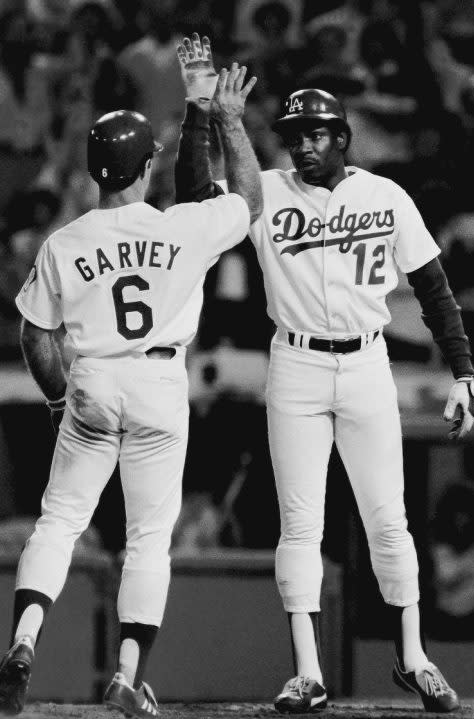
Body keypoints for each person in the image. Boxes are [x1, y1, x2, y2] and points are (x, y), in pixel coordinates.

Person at [175, 36, 474, 715]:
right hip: (298, 363)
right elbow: (196, 193)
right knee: (300, 525)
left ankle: (414, 655)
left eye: (314, 132)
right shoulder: (267, 192)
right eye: (291, 134)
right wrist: (201, 112)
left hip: (370, 360)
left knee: (389, 520)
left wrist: (461, 369)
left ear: (342, 135)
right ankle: (307, 671)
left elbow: (434, 288)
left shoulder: (387, 194)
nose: (302, 144)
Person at [0, 54, 262, 717]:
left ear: (93, 170)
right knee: (149, 538)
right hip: (158, 381)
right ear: (149, 166)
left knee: (58, 522)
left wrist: (61, 399)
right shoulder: (181, 226)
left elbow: (33, 335)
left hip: (91, 379)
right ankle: (125, 674)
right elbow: (251, 201)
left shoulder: (64, 241)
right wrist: (222, 115)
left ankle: (24, 643)